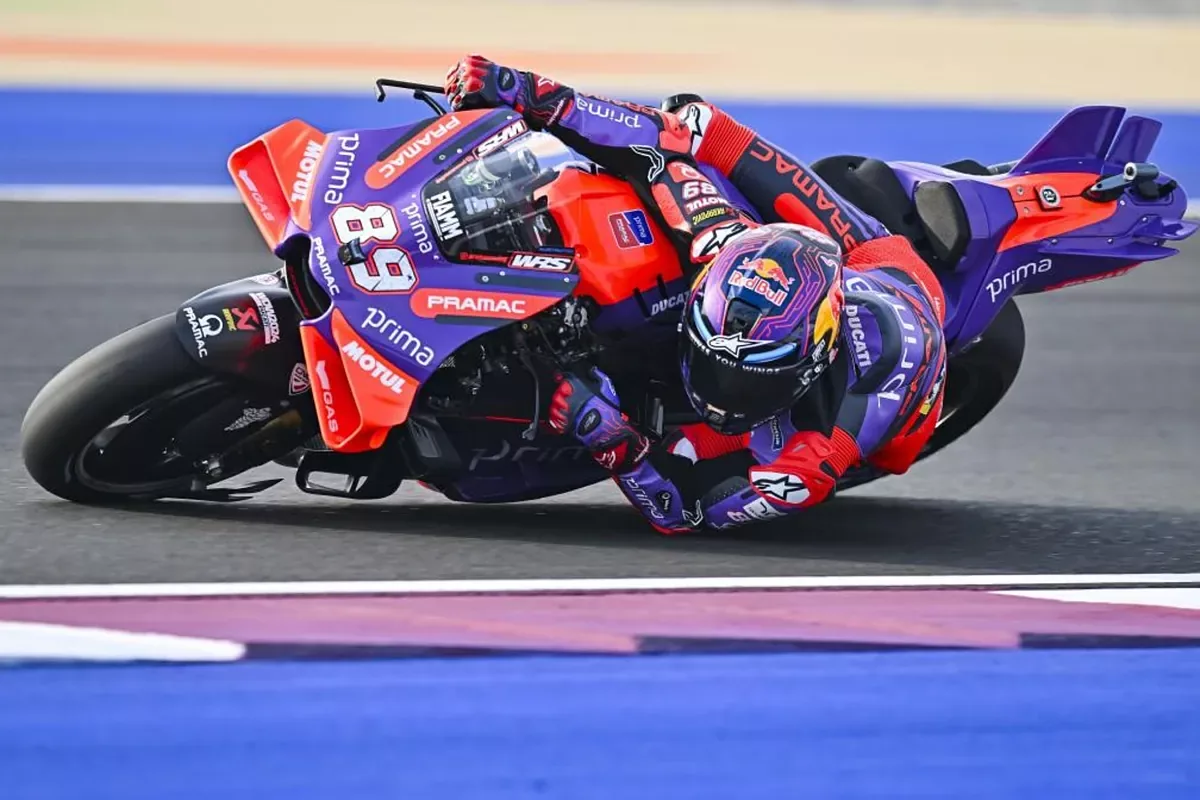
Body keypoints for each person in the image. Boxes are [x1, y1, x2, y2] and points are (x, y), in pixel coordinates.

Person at [444, 55, 948, 533]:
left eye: (748, 378)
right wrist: (526, 91)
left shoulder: (813, 454)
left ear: (810, 362)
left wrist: (612, 441)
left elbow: (684, 514)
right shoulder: (718, 235)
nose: (719, 387)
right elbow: (659, 143)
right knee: (699, 124)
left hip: (888, 272)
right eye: (711, 356)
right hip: (834, 262)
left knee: (681, 449)